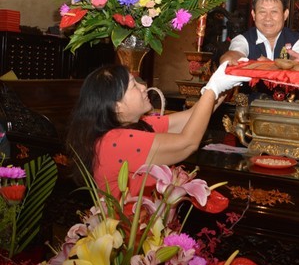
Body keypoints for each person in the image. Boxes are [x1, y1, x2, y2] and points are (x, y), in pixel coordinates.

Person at [66, 62, 250, 198]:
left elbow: (190, 118)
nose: (144, 87)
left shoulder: (137, 125)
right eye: (134, 86)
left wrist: (224, 82)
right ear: (116, 107)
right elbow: (187, 143)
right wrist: (213, 88)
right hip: (132, 237)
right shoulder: (115, 140)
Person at [219, 0, 299, 64]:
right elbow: (233, 55)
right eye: (262, 12)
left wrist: (271, 67)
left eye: (274, 12)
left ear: (285, 14)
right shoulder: (243, 39)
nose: (268, 18)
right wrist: (231, 58)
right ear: (254, 15)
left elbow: (298, 64)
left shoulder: (298, 40)